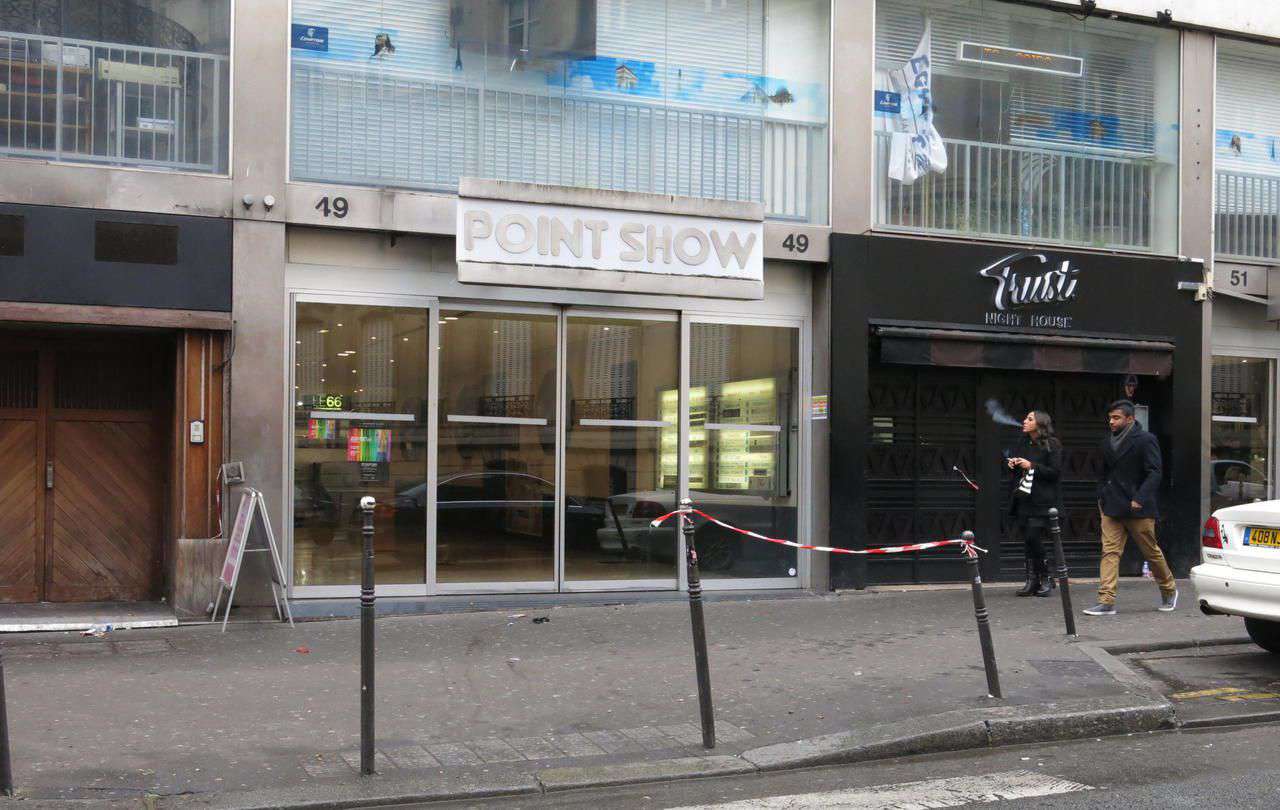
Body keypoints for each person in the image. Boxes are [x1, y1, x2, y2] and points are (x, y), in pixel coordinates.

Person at [1083, 399, 1178, 616]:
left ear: (1130, 419)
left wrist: (1140, 498)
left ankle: (1169, 589)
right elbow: (1104, 473)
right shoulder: (1107, 442)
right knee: (1110, 552)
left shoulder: (1146, 440)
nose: (1111, 422)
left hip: (1138, 507)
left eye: (1116, 418)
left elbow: (1155, 471)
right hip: (1112, 505)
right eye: (1110, 418)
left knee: (1150, 552)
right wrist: (1102, 496)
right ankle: (1106, 600)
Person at [1007, 411, 1063, 598]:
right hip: (1025, 498)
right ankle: (1031, 581)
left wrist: (1031, 465)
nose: (1024, 421)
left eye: (1029, 419)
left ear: (1040, 423)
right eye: (1025, 418)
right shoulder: (1022, 442)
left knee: (1033, 537)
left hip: (1042, 500)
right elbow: (1019, 470)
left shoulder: (1052, 444)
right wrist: (1013, 464)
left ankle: (1046, 577)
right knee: (1027, 541)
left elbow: (1054, 472)